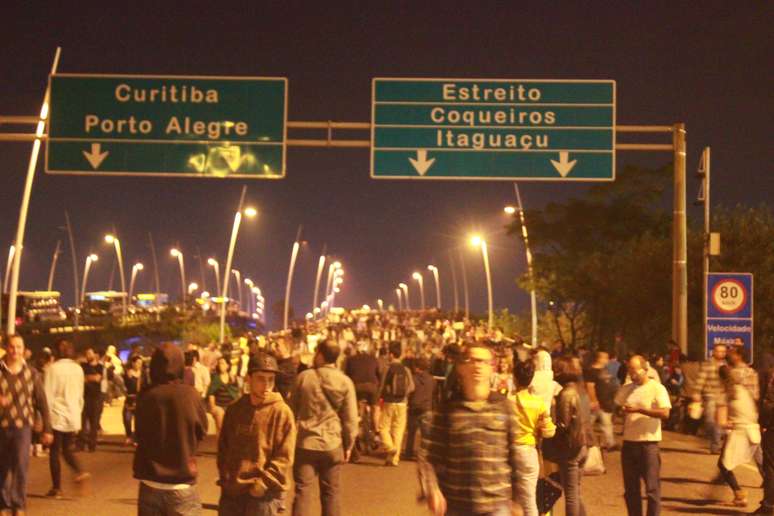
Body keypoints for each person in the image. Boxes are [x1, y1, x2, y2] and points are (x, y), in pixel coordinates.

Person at [418, 342, 520, 516]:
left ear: (491, 368)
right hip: (457, 506)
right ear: (460, 367)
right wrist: (432, 489)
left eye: (483, 361)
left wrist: (518, 500)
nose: (477, 366)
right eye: (471, 360)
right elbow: (429, 456)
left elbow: (516, 457)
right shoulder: (448, 410)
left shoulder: (504, 407)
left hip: (497, 505)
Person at [133, 343, 209, 515]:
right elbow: (202, 430)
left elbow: (139, 434)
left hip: (149, 482)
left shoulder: (146, 396)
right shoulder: (190, 395)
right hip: (181, 483)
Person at [217, 352, 296, 515]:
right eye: (261, 378)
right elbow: (224, 447)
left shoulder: (281, 412)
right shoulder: (235, 409)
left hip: (262, 497)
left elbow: (284, 457)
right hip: (232, 493)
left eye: (271, 379)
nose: (266, 385)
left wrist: (263, 483)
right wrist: (226, 476)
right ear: (249, 378)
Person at [289, 339, 358, 516]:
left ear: (320, 354)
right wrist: (349, 446)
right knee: (331, 493)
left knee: (303, 491)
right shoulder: (345, 382)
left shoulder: (304, 377)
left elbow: (290, 411)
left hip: (305, 443)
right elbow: (350, 420)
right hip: (333, 444)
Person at [0, 334, 53, 515]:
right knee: (3, 467)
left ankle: (19, 503)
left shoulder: (32, 373)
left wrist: (47, 428)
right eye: (12, 347)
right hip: (2, 426)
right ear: (6, 348)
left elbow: (42, 402)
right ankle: (4, 504)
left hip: (23, 426)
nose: (15, 350)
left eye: (19, 347)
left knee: (21, 466)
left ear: (24, 349)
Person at [614, 355, 671, 516]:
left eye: (634, 369)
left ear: (645, 369)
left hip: (648, 443)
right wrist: (621, 411)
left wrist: (639, 410)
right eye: (629, 369)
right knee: (631, 489)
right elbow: (617, 408)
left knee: (652, 488)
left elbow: (665, 413)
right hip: (629, 443)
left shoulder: (657, 388)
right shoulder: (627, 388)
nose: (631, 373)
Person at [544, 356, 592, 516]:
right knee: (576, 492)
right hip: (583, 445)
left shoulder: (566, 394)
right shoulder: (581, 391)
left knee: (571, 495)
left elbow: (563, 424)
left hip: (570, 448)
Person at [44, 339, 90, 499]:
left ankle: (57, 488)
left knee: (54, 452)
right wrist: (78, 414)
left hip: (57, 415)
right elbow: (80, 395)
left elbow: (48, 395)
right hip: (73, 414)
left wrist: (45, 421)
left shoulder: (52, 369)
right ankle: (79, 471)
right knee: (67, 449)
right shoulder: (78, 369)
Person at [512, 359, 556, 516]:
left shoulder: (507, 402)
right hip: (528, 453)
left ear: (514, 378)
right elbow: (549, 432)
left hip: (508, 453)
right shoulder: (539, 405)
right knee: (529, 499)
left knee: (511, 500)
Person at [716, 365, 762, 508]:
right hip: (755, 432)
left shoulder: (725, 394)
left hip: (740, 433)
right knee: (764, 465)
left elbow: (721, 422)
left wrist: (729, 422)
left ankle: (739, 495)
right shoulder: (744, 390)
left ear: (721, 379)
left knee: (723, 465)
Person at [376, 341, 414, 466]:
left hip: (389, 402)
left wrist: (379, 398)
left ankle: (390, 448)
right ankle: (394, 459)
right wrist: (404, 394)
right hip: (403, 403)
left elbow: (381, 385)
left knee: (383, 427)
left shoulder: (387, 368)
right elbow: (412, 387)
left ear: (391, 355)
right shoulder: (406, 369)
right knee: (398, 430)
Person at [694, 344, 728, 453]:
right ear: (714, 352)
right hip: (710, 395)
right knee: (709, 421)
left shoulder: (727, 365)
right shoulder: (707, 364)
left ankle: (716, 445)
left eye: (723, 351)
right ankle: (716, 440)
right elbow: (701, 379)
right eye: (718, 351)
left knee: (720, 423)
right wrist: (696, 392)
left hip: (723, 396)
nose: (721, 353)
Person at [584, 351, 619, 450]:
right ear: (599, 358)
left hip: (606, 402)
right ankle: (584, 441)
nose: (607, 360)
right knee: (589, 423)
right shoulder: (591, 371)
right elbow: (589, 386)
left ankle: (610, 443)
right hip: (597, 403)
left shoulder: (605, 370)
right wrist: (594, 400)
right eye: (605, 358)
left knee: (606, 424)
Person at [403, 357, 434, 461]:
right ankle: (424, 454)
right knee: (426, 435)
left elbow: (410, 392)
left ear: (417, 367)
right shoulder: (431, 379)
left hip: (414, 408)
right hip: (427, 408)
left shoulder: (413, 378)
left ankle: (408, 453)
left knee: (411, 433)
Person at [78, 347, 104, 452]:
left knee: (94, 422)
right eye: (86, 353)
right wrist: (91, 378)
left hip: (96, 397)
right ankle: (80, 444)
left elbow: (99, 378)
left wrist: (87, 378)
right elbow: (81, 378)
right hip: (84, 397)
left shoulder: (100, 367)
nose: (88, 355)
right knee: (82, 422)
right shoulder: (82, 366)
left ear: (95, 354)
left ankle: (92, 444)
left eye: (89, 353)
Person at [207, 356, 241, 436]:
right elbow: (211, 393)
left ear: (227, 365)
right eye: (219, 363)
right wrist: (213, 407)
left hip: (231, 406)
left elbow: (237, 393)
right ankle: (221, 444)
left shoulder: (232, 378)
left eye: (222, 363)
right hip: (219, 406)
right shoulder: (215, 378)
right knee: (220, 419)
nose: (220, 365)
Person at [123, 354, 145, 446]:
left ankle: (136, 438)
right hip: (129, 399)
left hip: (140, 399)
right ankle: (129, 436)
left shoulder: (143, 375)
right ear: (133, 363)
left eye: (141, 363)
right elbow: (123, 386)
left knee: (138, 420)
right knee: (127, 419)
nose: (139, 365)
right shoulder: (127, 374)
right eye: (137, 363)